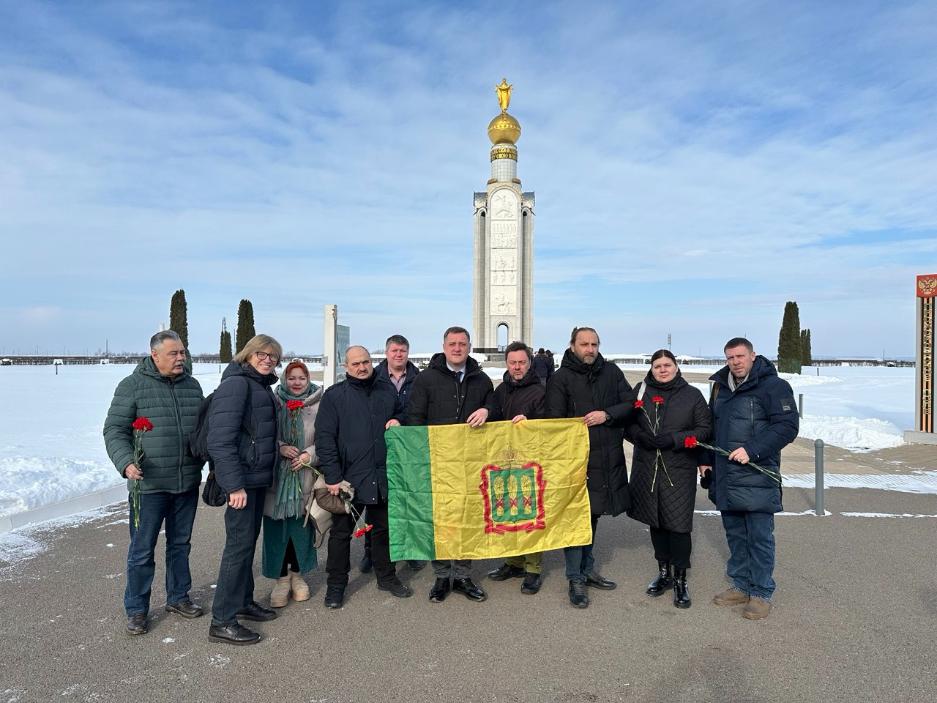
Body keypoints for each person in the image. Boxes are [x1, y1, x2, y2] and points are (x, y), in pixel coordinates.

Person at [103, 330, 205, 636]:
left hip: (186, 481)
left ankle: (178, 597)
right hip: (148, 485)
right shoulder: (132, 386)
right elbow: (114, 430)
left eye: (182, 353)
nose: (180, 358)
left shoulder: (192, 385)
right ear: (154, 355)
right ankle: (137, 609)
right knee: (142, 549)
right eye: (173, 353)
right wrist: (125, 463)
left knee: (180, 545)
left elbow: (201, 430)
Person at [702, 337, 798, 620]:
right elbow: (711, 426)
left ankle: (761, 593)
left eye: (740, 356)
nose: (736, 362)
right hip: (726, 476)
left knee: (759, 538)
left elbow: (787, 426)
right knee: (735, 535)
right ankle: (741, 585)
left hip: (756, 475)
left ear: (753, 356)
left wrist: (752, 450)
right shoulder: (720, 388)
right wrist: (705, 462)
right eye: (730, 358)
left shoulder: (774, 386)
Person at [314, 346, 411, 608]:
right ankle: (336, 585)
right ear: (346, 367)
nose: (362, 367)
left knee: (383, 530)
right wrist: (333, 476)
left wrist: (398, 419)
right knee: (341, 534)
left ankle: (386, 576)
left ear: (372, 362)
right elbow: (324, 438)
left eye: (366, 361)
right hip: (348, 479)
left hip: (381, 475)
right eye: (355, 363)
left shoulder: (385, 391)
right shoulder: (335, 396)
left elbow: (402, 412)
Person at [545, 326, 633, 609]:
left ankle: (587, 568)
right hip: (577, 461)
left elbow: (631, 403)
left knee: (593, 516)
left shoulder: (612, 372)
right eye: (584, 344)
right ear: (572, 345)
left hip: (606, 456)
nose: (590, 349)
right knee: (576, 519)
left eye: (594, 344)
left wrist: (607, 414)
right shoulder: (560, 378)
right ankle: (575, 578)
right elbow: (554, 422)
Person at [407, 326, 495, 603]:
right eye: (452, 344)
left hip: (471, 464)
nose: (457, 348)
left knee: (468, 518)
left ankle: (464, 574)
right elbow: (415, 418)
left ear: (469, 347)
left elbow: (495, 407)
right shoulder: (427, 379)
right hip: (439, 463)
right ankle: (443, 575)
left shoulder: (481, 380)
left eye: (462, 344)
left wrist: (487, 410)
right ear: (444, 346)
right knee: (443, 521)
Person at [207, 334, 282, 645]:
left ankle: (242, 601)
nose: (268, 360)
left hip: (255, 480)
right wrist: (234, 484)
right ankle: (222, 620)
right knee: (237, 549)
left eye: (274, 357)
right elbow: (220, 441)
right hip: (242, 484)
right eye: (262, 354)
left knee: (246, 544)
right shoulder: (237, 385)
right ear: (248, 354)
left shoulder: (258, 385)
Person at [626, 349, 711, 609]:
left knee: (678, 525)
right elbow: (627, 423)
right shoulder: (641, 391)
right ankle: (663, 572)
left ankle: (680, 579)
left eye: (667, 365)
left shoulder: (692, 395)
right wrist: (640, 437)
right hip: (647, 466)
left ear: (676, 367)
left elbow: (705, 430)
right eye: (657, 366)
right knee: (656, 520)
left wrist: (674, 439)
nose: (662, 369)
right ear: (651, 368)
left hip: (678, 468)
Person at [486, 341, 546, 594]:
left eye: (522, 362)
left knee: (530, 514)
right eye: (513, 363)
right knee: (508, 510)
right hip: (505, 461)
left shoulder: (541, 391)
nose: (517, 367)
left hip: (531, 462)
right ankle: (513, 561)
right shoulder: (501, 390)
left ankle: (532, 567)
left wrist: (530, 422)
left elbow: (550, 421)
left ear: (529, 363)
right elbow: (493, 414)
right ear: (507, 364)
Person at [262, 360, 323, 608]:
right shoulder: (273, 402)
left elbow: (328, 436)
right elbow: (264, 433)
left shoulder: (319, 403)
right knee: (277, 529)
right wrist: (280, 447)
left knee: (300, 527)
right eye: (292, 378)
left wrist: (310, 453)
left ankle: (298, 576)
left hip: (305, 474)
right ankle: (281, 579)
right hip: (277, 476)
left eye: (302, 378)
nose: (296, 383)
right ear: (284, 379)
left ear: (308, 380)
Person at [363, 334, 423, 574]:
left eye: (403, 351)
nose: (399, 355)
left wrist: (401, 419)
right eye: (394, 350)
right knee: (375, 502)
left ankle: (408, 550)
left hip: (408, 449)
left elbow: (417, 410)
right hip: (378, 448)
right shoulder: (373, 377)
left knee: (407, 500)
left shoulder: (418, 379)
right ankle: (370, 551)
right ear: (387, 353)